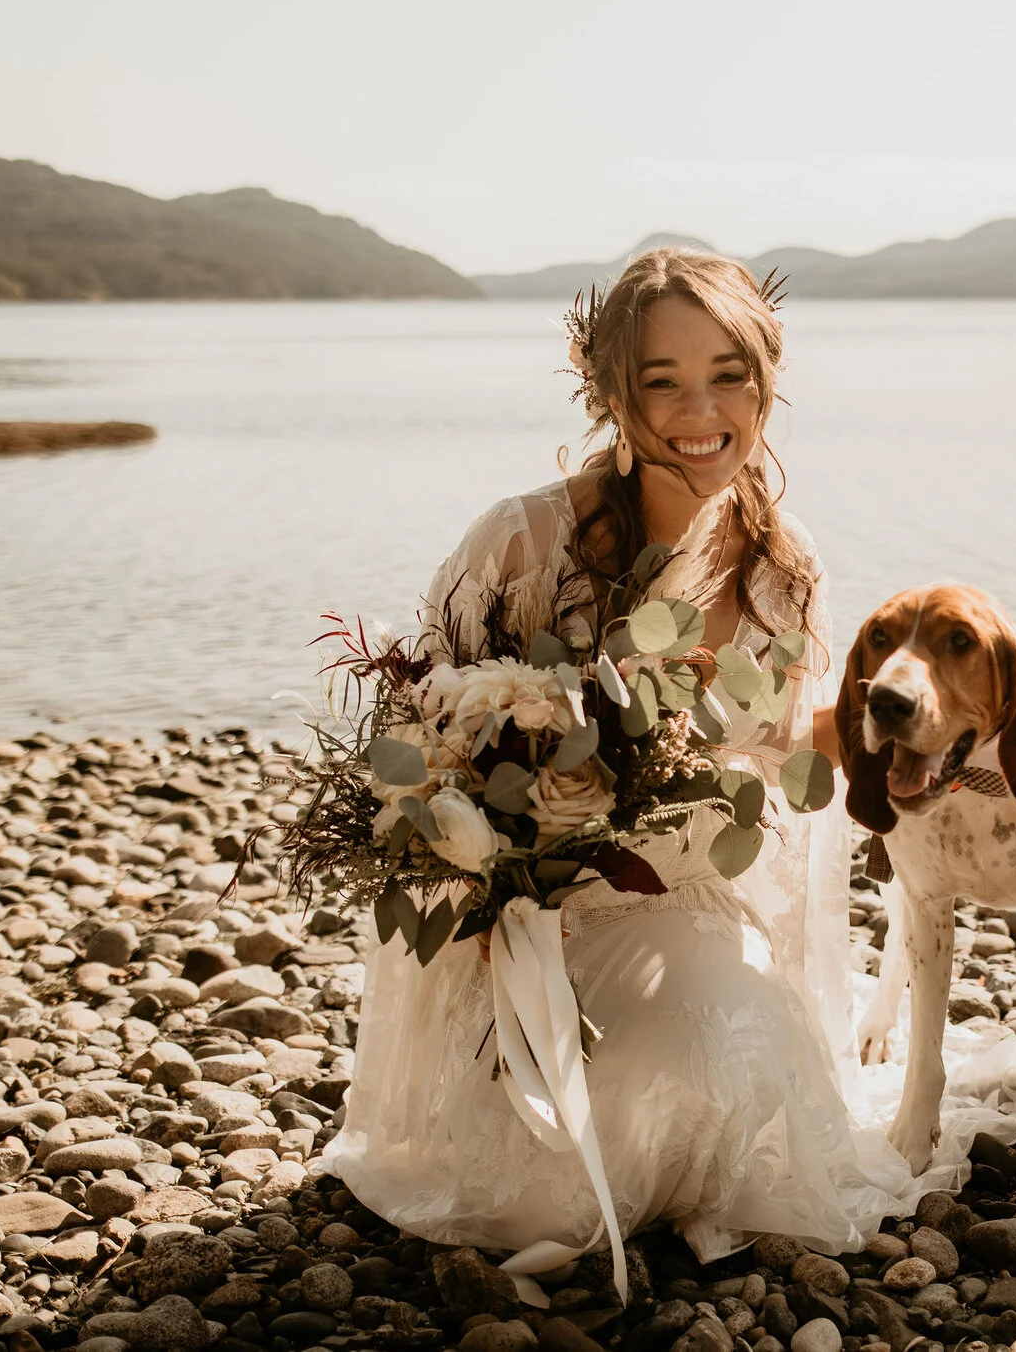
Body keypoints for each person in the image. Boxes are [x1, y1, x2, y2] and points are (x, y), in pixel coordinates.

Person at [324, 248, 920, 1283]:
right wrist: (496, 870)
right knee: (542, 1190)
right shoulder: (520, 541)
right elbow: (421, 737)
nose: (703, 410)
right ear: (608, 391)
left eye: (729, 374)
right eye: (663, 380)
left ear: (766, 381)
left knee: (711, 1053)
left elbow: (778, 750)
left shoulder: (785, 563)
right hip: (523, 917)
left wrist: (907, 728)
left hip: (690, 897)